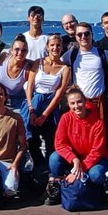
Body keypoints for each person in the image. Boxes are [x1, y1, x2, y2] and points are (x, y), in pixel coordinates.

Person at [44, 86, 108, 205]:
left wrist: (77, 172)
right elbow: (59, 143)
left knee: (96, 175)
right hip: (75, 157)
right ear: (68, 105)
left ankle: (95, 190)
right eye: (72, 103)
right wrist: (74, 159)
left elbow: (97, 150)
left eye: (79, 102)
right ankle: (58, 188)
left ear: (85, 101)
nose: (76, 106)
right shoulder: (66, 118)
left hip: (96, 159)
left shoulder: (97, 122)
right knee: (54, 158)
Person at [61, 22, 108, 159]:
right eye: (79, 34)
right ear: (75, 36)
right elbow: (57, 65)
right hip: (80, 104)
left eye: (87, 33)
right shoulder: (71, 55)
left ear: (92, 35)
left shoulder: (103, 54)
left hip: (99, 103)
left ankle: (105, 163)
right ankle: (81, 162)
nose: (83, 37)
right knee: (80, 135)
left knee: (104, 134)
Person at [24, 33, 71, 173]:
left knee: (51, 138)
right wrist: (31, 109)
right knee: (31, 137)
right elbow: (30, 87)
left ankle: (52, 171)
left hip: (51, 105)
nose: (55, 48)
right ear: (47, 47)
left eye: (58, 45)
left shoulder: (65, 68)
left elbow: (59, 93)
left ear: (62, 47)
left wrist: (44, 115)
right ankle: (36, 168)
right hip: (35, 102)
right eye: (52, 45)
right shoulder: (38, 63)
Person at [0, 34, 32, 118]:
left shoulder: (28, 68)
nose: (20, 53)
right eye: (17, 49)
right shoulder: (3, 58)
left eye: (23, 50)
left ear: (27, 52)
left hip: (16, 104)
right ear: (11, 50)